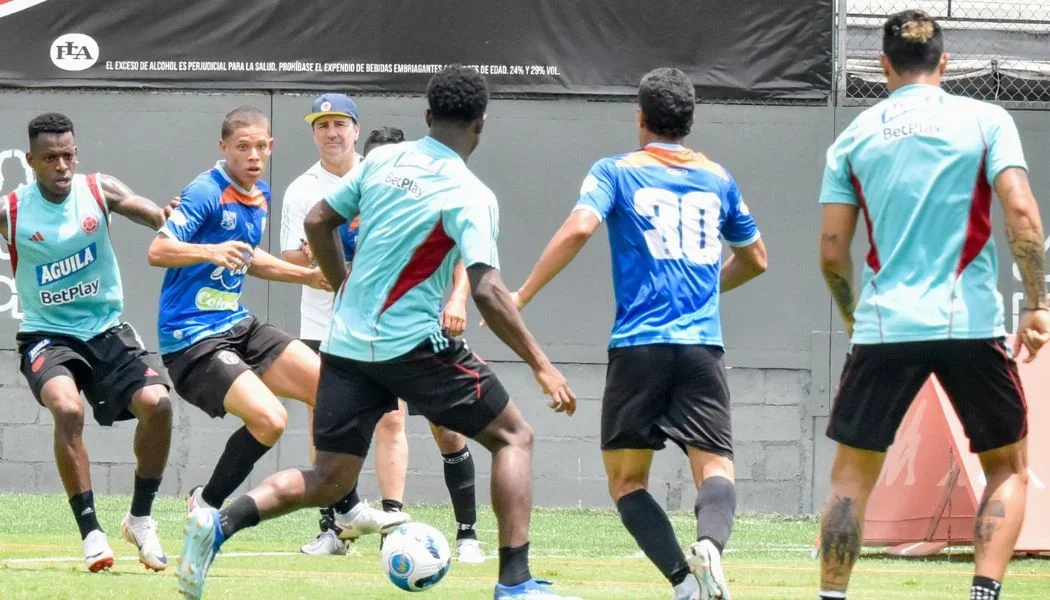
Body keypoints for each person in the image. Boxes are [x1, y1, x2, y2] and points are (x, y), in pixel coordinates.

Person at [177, 65, 579, 600]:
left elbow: (319, 222)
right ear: (480, 125)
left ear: (427, 116)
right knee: (513, 436)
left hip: (344, 344)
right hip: (411, 344)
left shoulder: (384, 160)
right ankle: (515, 582)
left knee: (331, 478)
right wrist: (541, 364)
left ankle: (218, 524)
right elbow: (487, 290)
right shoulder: (471, 192)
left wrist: (342, 285)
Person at [816, 11, 1050, 600]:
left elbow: (831, 250)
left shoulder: (852, 137)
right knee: (1006, 467)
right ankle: (983, 593)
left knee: (850, 479)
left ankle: (831, 598)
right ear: (945, 64)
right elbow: (1020, 211)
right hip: (968, 323)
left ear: (882, 66)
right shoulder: (986, 119)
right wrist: (1037, 303)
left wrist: (853, 316)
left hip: (884, 324)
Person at [509, 67, 766, 600]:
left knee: (627, 482)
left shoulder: (616, 171)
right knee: (715, 468)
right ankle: (711, 546)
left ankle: (682, 582)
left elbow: (581, 227)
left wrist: (523, 294)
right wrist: (703, 291)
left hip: (638, 345)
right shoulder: (719, 177)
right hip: (701, 348)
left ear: (641, 118)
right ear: (690, 121)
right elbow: (756, 260)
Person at [1, 112, 175, 572]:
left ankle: (139, 518)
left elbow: (152, 213)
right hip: (46, 334)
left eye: (69, 155)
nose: (62, 165)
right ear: (32, 161)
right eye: (51, 158)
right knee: (68, 407)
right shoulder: (13, 212)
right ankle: (92, 532)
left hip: (105, 330)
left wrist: (166, 216)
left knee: (158, 405)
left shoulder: (98, 189)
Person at [147, 106, 330, 521]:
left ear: (271, 147)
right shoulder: (205, 191)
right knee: (271, 420)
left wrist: (307, 276)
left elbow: (249, 258)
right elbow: (157, 251)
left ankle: (340, 509)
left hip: (236, 323)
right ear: (223, 147)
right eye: (243, 147)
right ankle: (206, 504)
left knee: (327, 386)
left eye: (260, 146)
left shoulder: (260, 194)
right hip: (191, 337)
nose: (253, 154)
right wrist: (210, 249)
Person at [279, 94, 410, 556]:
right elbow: (291, 256)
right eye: (322, 125)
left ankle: (394, 527)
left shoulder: (381, 174)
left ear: (357, 129)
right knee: (325, 427)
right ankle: (334, 528)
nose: (332, 133)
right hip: (322, 324)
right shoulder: (301, 188)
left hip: (380, 324)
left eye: (340, 124)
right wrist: (313, 253)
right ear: (313, 132)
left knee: (392, 421)